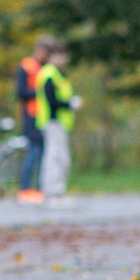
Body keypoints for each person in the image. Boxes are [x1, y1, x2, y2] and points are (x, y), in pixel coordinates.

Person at [37, 42, 80, 202]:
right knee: (55, 158)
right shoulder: (50, 74)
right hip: (53, 122)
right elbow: (51, 100)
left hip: (60, 123)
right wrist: (70, 104)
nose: (63, 59)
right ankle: (52, 192)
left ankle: (57, 191)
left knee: (61, 158)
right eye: (59, 55)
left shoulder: (58, 74)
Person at [15, 38, 52, 201]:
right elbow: (20, 92)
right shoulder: (27, 66)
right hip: (31, 116)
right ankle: (26, 188)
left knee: (44, 153)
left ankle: (41, 187)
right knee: (34, 152)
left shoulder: (48, 68)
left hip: (44, 116)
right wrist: (40, 92)